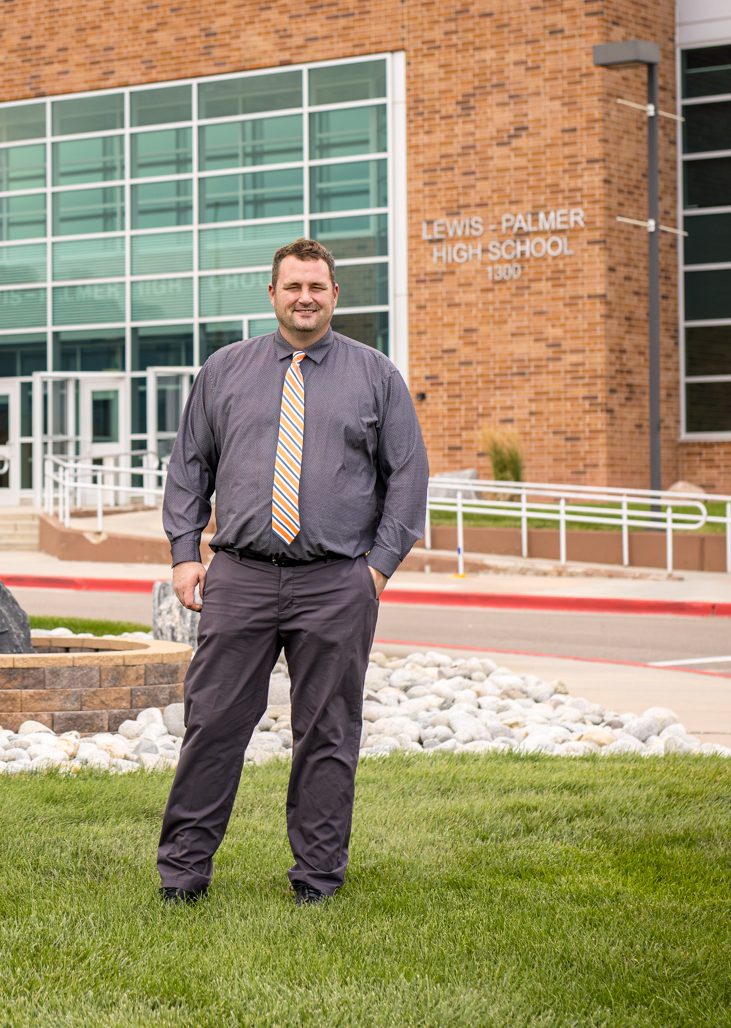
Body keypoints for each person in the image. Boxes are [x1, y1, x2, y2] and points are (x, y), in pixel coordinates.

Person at [156, 237, 428, 906]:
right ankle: (182, 877)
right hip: (241, 578)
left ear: (335, 296)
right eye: (293, 286)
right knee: (213, 724)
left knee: (328, 734)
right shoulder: (224, 370)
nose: (305, 297)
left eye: (317, 287)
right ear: (272, 293)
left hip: (336, 583)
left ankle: (317, 881)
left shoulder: (375, 375)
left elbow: (409, 478)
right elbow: (190, 465)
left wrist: (377, 571)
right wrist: (186, 553)